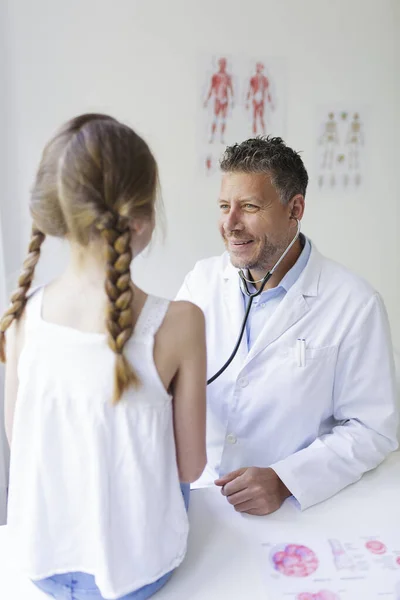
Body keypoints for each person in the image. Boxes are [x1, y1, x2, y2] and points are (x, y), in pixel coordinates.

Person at [0, 114, 207, 600]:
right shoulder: (180, 323)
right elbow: (191, 467)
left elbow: (18, 435)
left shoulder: (21, 317)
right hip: (139, 571)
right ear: (141, 221)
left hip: (41, 564)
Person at [176, 136, 398, 516]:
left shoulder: (354, 304)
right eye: (224, 206)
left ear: (295, 209)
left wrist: (285, 479)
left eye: (249, 207)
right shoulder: (202, 282)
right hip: (202, 502)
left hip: (294, 512)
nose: (230, 224)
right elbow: (167, 383)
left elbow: (374, 428)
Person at [204, 57, 234, 144]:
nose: (223, 65)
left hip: (225, 99)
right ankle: (212, 136)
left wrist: (232, 99)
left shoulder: (228, 77)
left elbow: (231, 88)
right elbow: (211, 88)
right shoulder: (215, 76)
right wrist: (207, 99)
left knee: (223, 119)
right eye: (221, 63)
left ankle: (222, 137)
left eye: (224, 63)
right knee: (215, 119)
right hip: (217, 99)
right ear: (219, 64)